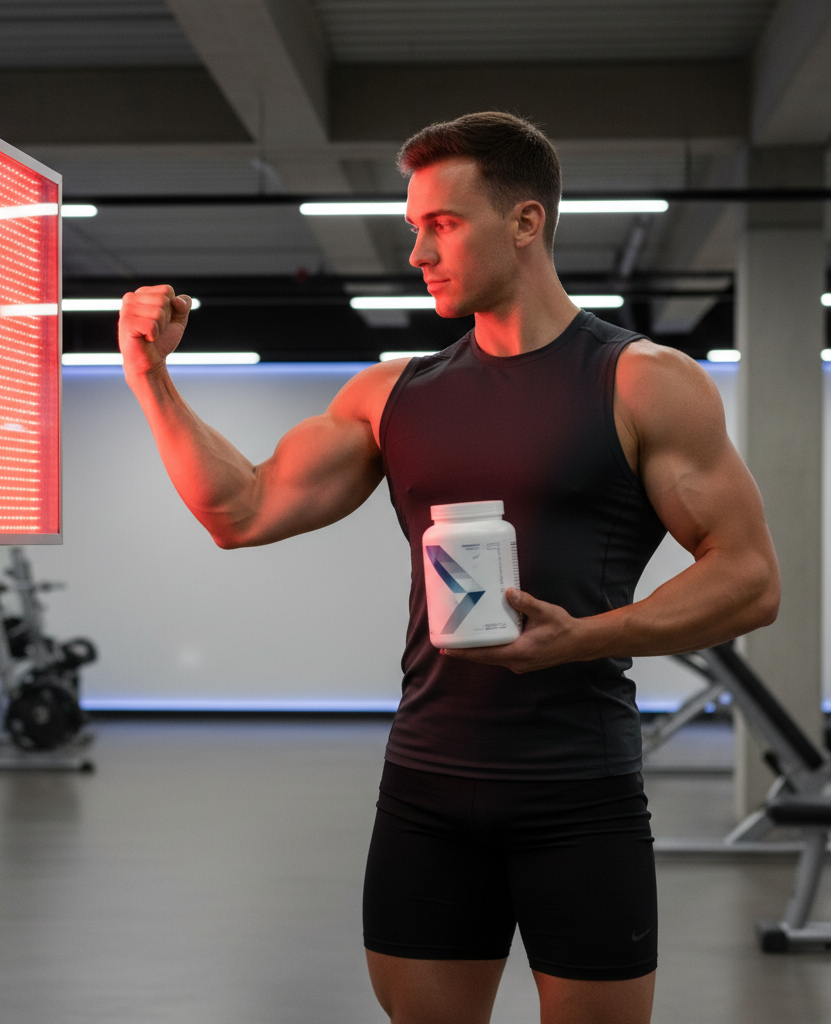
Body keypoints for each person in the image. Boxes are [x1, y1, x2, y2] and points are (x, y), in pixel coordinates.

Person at [118, 112, 780, 1024]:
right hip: (425, 788)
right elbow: (243, 510)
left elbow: (748, 577)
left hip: (578, 795)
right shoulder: (393, 394)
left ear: (525, 221)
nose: (420, 251)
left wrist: (582, 638)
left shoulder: (640, 381)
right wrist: (150, 379)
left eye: (444, 224)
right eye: (413, 228)